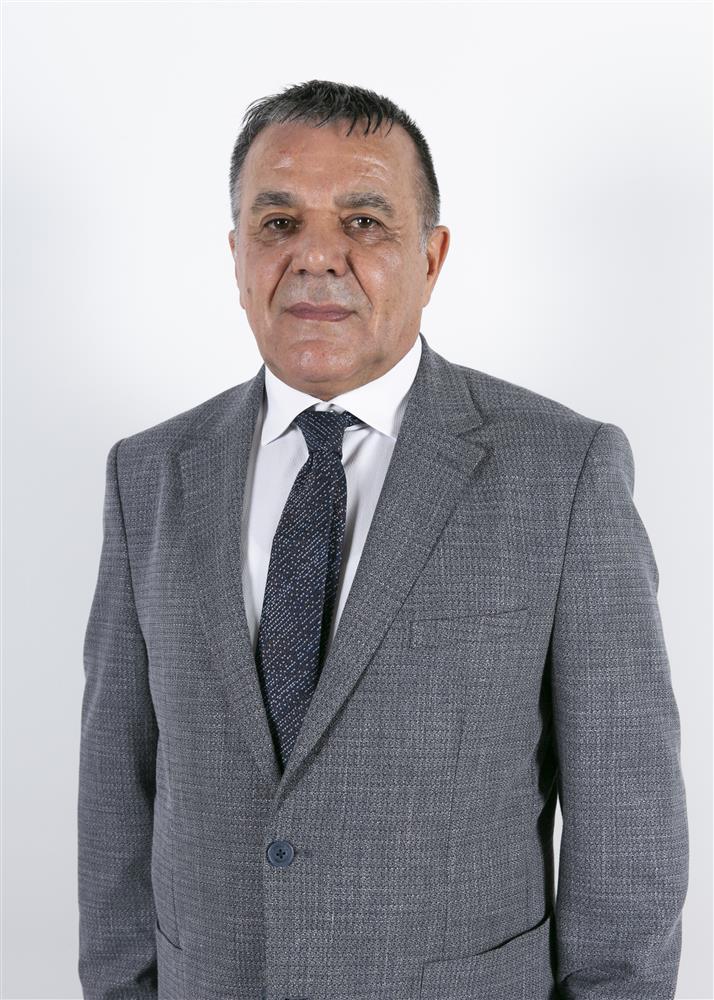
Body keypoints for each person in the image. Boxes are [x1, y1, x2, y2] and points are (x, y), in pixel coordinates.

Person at [78, 79, 689, 1000]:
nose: (317, 256)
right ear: (237, 253)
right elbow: (115, 794)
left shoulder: (564, 473)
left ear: (432, 258)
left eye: (364, 222)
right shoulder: (151, 474)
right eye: (278, 223)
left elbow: (627, 831)